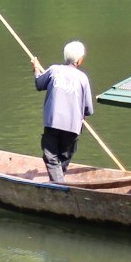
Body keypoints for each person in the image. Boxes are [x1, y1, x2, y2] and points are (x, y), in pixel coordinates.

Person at [30, 40, 95, 185]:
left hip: (53, 123)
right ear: (80, 60)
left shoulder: (54, 70)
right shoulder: (83, 78)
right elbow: (89, 110)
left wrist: (35, 68)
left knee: (51, 157)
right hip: (72, 127)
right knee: (62, 158)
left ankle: (59, 187)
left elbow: (39, 84)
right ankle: (59, 185)